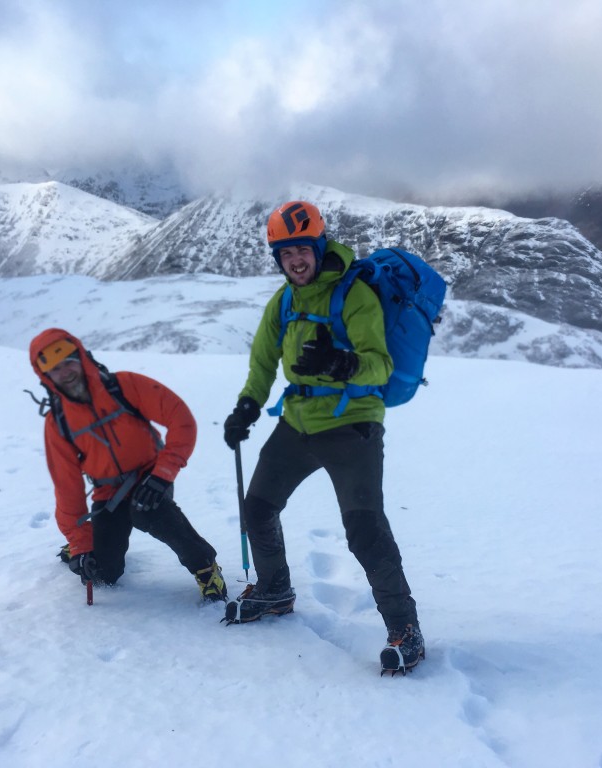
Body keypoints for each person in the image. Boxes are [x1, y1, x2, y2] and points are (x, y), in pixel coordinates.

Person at [221, 200, 425, 673]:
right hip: (298, 421)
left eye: (302, 249)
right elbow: (262, 361)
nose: (295, 260)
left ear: (319, 246)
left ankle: (405, 629)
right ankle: (274, 589)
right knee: (258, 508)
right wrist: (247, 406)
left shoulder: (353, 295)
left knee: (364, 529)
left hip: (353, 423)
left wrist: (341, 362)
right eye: (285, 252)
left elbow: (380, 365)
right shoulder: (285, 301)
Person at [30, 328, 227, 603]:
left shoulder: (123, 387)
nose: (65, 372)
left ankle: (205, 567)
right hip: (108, 493)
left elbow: (181, 420)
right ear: (45, 377)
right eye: (55, 369)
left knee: (148, 510)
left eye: (69, 362)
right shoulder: (59, 423)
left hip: (151, 477)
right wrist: (80, 543)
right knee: (104, 575)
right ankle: (87, 548)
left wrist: (163, 474)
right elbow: (67, 487)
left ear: (82, 358)